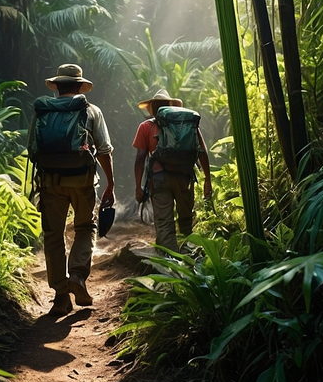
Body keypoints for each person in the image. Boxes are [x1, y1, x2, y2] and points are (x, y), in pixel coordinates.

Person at [35, 64, 114, 317]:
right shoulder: (91, 111)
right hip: (82, 181)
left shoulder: (43, 112)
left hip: (50, 182)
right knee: (85, 228)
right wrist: (110, 183)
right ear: (80, 86)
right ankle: (78, 276)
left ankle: (60, 296)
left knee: (53, 235)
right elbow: (104, 150)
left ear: (57, 86)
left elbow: (32, 149)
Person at [132, 89, 212, 253]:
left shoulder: (146, 127)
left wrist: (138, 186)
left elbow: (140, 158)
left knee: (164, 222)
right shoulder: (186, 124)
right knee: (186, 221)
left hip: (159, 179)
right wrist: (207, 180)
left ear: (152, 108)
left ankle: (170, 263)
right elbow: (202, 152)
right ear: (170, 105)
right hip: (184, 177)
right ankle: (189, 258)